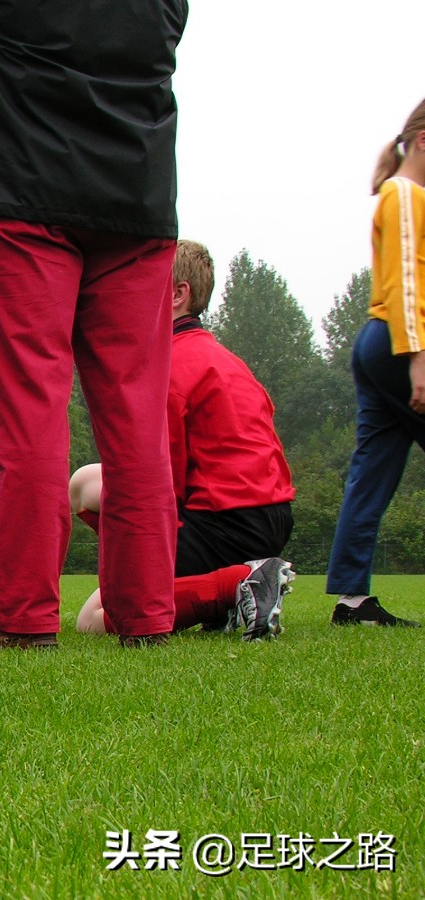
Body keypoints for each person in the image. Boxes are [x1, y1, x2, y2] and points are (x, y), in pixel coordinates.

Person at [0, 0, 186, 649]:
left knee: (27, 409)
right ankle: (148, 614)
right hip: (135, 186)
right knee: (137, 415)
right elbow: (163, 33)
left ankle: (22, 615)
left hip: (19, 179)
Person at [69, 241, 296, 641]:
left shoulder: (169, 367)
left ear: (178, 294)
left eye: (143, 284)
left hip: (222, 522)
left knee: (94, 618)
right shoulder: (225, 359)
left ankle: (238, 584)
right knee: (85, 482)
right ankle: (216, 600)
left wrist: (147, 564)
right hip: (267, 517)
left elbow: (162, 484)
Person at [323, 99, 425, 629]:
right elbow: (409, 282)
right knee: (369, 470)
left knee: (371, 471)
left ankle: (352, 602)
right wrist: (418, 361)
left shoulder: (399, 194)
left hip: (380, 342)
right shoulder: (405, 194)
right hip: (399, 343)